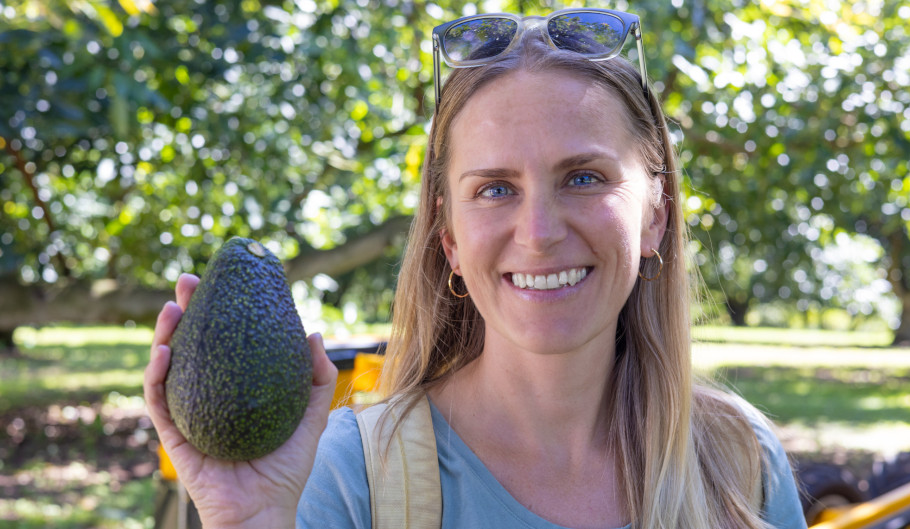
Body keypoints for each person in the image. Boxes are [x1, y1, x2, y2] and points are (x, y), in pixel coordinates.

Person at [145, 9, 807, 529]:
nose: (541, 233)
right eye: (494, 188)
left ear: (655, 215)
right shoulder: (348, 474)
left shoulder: (738, 461)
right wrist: (251, 520)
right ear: (450, 238)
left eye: (582, 176)